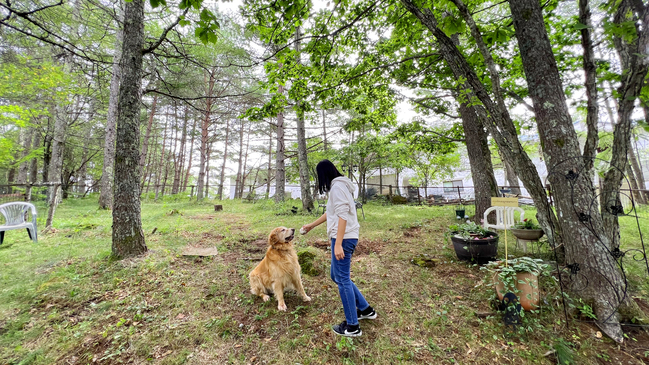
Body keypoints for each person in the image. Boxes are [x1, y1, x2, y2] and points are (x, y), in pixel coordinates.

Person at [301, 159, 376, 337]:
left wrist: (339, 244)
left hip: (344, 237)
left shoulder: (337, 188)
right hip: (344, 236)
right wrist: (312, 225)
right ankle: (365, 309)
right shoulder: (340, 186)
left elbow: (342, 216)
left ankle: (352, 326)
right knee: (336, 275)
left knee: (342, 279)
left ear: (323, 175)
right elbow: (331, 212)